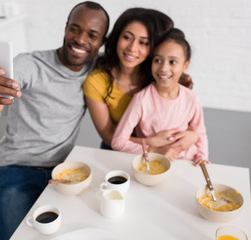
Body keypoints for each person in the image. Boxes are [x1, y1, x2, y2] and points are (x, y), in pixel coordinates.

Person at [0, 2, 109, 239]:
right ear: (65, 28)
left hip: (66, 170)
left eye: (92, 35)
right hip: (17, 169)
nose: (81, 39)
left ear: (102, 42)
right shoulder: (30, 65)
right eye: (75, 29)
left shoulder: (97, 71)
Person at [83, 8, 197, 152]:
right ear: (117, 37)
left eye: (143, 42)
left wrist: (194, 134)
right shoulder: (96, 82)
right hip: (117, 151)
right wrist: (151, 144)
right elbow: (109, 138)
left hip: (165, 152)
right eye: (127, 37)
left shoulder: (161, 76)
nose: (132, 48)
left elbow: (187, 120)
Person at [111, 28, 209, 166]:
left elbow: (200, 132)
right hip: (154, 163)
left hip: (188, 164)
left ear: (185, 65)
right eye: (158, 60)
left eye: (173, 62)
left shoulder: (192, 99)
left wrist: (202, 156)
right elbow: (118, 142)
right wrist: (153, 150)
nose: (163, 68)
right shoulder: (141, 99)